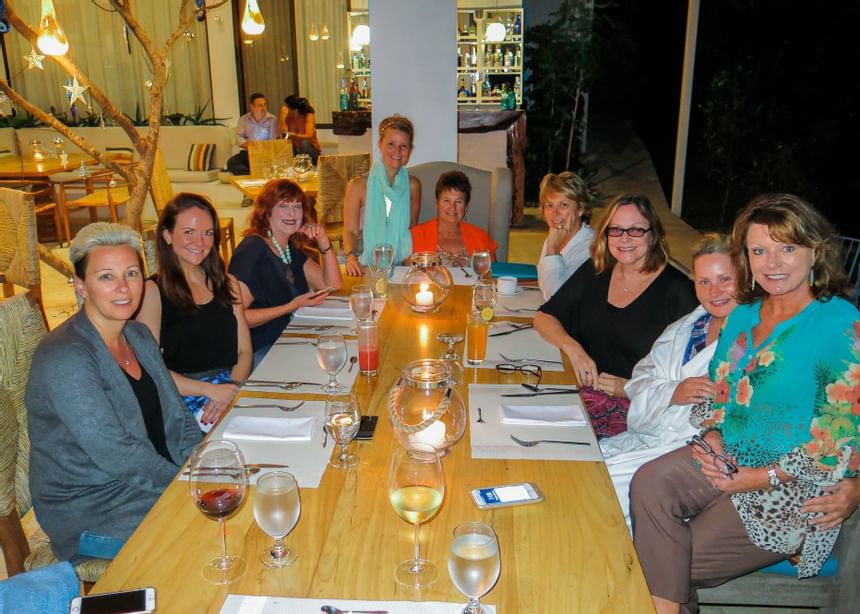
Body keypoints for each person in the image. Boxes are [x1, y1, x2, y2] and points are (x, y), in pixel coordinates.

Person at [630, 194, 860, 614]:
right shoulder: (744, 316)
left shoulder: (839, 324)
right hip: (726, 457)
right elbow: (719, 392)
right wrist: (714, 436)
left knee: (670, 558)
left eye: (787, 248)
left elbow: (837, 439)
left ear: (815, 252)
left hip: (793, 488)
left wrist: (760, 477)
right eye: (759, 250)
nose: (772, 262)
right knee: (649, 481)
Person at [26, 223, 202, 563]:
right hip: (94, 510)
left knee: (241, 495)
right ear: (80, 285)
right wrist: (186, 486)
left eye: (131, 273)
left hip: (150, 484)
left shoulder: (138, 336)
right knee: (212, 531)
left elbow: (178, 418)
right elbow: (116, 452)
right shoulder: (65, 356)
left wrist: (206, 464)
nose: (123, 287)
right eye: (106, 276)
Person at [601, 234, 737, 527]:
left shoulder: (751, 340)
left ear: (744, 278)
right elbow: (640, 377)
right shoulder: (687, 326)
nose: (715, 291)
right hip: (645, 436)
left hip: (685, 454)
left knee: (600, 495)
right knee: (577, 469)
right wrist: (673, 392)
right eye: (704, 282)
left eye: (725, 279)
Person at [535, 194, 697, 437]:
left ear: (653, 234)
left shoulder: (679, 291)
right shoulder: (598, 270)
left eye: (635, 230)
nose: (625, 239)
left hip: (633, 415)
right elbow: (544, 317)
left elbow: (693, 376)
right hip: (578, 395)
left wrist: (629, 388)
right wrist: (574, 350)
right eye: (616, 230)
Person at [136, 193, 252, 433]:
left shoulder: (227, 282)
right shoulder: (153, 291)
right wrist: (209, 391)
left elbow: (244, 350)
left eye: (208, 233)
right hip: (184, 395)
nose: (200, 242)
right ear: (167, 235)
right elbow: (149, 368)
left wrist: (232, 387)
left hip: (231, 386)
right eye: (189, 232)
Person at [228, 179, 342, 364]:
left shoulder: (288, 247)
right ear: (267, 212)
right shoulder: (252, 250)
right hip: (260, 350)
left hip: (290, 337)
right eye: (283, 205)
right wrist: (292, 306)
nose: (292, 213)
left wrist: (323, 239)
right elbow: (237, 317)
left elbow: (332, 285)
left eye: (297, 206)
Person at [342, 114, 421, 276]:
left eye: (403, 146)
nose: (397, 151)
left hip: (401, 262)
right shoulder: (358, 186)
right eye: (391, 144)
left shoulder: (413, 185)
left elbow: (411, 230)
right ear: (380, 145)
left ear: (410, 150)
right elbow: (350, 230)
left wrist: (411, 267)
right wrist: (350, 258)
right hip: (364, 262)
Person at [410, 170, 497, 266]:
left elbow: (493, 276)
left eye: (459, 201)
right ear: (437, 204)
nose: (452, 207)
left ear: (466, 207)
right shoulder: (415, 236)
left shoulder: (481, 237)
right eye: (446, 201)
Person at [537, 171, 595, 301]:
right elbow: (544, 283)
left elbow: (558, 299)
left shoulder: (591, 248)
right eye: (549, 205)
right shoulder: (556, 234)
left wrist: (552, 250)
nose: (554, 213)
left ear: (580, 209)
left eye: (563, 205)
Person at [226, 93, 279, 176]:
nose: (263, 108)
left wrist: (261, 147)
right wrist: (247, 144)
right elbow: (238, 136)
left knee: (265, 162)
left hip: (265, 154)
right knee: (231, 162)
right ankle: (252, 174)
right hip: (250, 152)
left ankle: (254, 172)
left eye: (265, 105)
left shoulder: (272, 119)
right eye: (260, 105)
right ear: (252, 106)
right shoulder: (244, 119)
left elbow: (273, 140)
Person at [279, 94, 322, 165]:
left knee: (304, 142)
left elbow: (309, 135)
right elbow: (283, 136)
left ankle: (300, 166)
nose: (285, 109)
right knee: (285, 145)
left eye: (287, 107)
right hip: (296, 151)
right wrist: (282, 117)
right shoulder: (289, 118)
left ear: (294, 110)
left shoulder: (308, 115)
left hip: (311, 151)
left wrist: (295, 135)